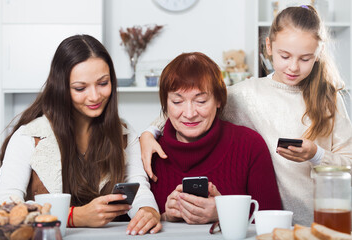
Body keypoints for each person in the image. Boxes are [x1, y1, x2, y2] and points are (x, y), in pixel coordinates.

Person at [140, 6, 352, 226]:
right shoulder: (246, 94)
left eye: (305, 58)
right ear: (268, 46)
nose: (293, 67)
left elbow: (349, 163)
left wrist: (316, 155)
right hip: (273, 224)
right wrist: (149, 132)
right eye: (285, 56)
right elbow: (192, 110)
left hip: (327, 221)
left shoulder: (329, 99)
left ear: (319, 53)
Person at [0, 34, 161, 235]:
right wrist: (74, 216)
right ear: (61, 88)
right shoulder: (28, 137)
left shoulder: (124, 133)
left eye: (103, 83)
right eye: (80, 88)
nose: (95, 96)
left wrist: (147, 210)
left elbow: (139, 186)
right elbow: (3, 209)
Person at [146, 52, 281, 224]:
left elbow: (273, 221)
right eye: (177, 102)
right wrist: (165, 217)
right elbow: (123, 226)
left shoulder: (250, 146)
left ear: (218, 100)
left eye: (201, 101)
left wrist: (225, 213)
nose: (189, 114)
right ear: (165, 103)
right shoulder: (149, 151)